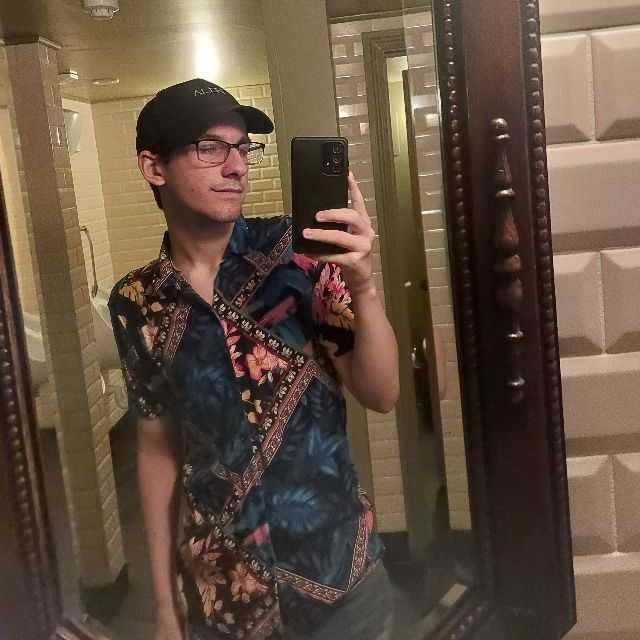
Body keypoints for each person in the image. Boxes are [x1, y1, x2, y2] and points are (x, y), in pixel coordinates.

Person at [108, 78, 400, 640]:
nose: (237, 166)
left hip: (340, 579)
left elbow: (382, 393)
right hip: (227, 594)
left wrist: (364, 285)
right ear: (153, 167)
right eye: (210, 148)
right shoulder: (137, 303)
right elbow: (157, 447)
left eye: (243, 147)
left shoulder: (299, 253)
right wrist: (165, 606)